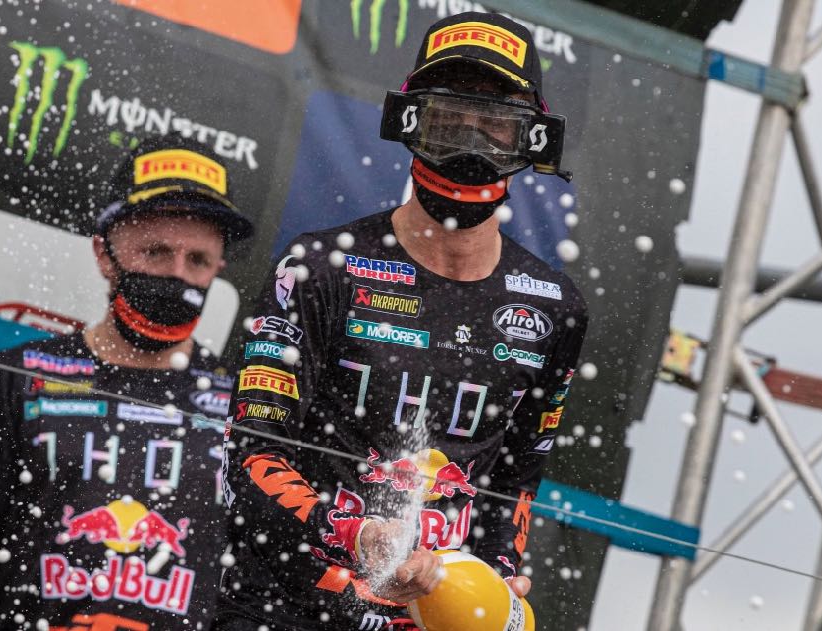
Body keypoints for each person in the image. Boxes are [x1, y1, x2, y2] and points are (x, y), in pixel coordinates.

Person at [215, 12, 587, 630]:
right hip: (285, 612)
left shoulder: (554, 308)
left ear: (534, 139)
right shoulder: (319, 268)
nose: (470, 141)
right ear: (409, 121)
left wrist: (497, 576)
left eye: (495, 122)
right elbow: (250, 457)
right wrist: (352, 533)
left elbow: (514, 486)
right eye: (449, 118)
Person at [0, 136, 254, 630]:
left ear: (218, 268)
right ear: (104, 254)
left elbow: (255, 588)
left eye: (197, 260)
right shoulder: (25, 375)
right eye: (157, 252)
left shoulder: (239, 403)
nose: (177, 275)